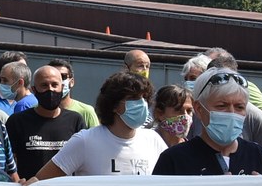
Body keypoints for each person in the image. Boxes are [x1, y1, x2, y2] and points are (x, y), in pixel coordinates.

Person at [31, 72, 166, 180]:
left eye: (144, 98)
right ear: (114, 105)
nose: (141, 104)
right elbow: (40, 181)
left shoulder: (153, 140)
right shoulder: (85, 141)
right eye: (133, 99)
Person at [155, 70, 262, 177]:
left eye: (239, 107)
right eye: (222, 106)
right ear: (199, 109)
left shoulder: (257, 155)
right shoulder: (174, 159)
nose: (231, 113)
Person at [7, 66, 86, 179]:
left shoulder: (75, 120)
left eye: (55, 85)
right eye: (44, 85)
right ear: (34, 90)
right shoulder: (17, 121)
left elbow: (83, 160)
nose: (50, 90)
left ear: (62, 87)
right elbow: (10, 163)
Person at [46, 59, 99, 128]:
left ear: (72, 82)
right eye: (53, 77)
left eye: (63, 76)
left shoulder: (86, 111)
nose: (58, 81)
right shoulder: (36, 110)